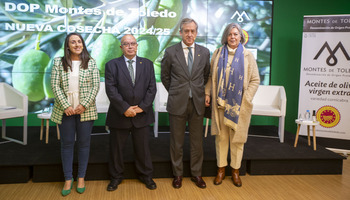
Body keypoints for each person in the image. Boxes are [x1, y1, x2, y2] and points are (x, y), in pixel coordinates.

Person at [205, 23, 260, 187]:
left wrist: (246, 98)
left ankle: (235, 171)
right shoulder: (217, 53)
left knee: (237, 140)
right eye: (230, 34)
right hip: (220, 105)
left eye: (236, 34)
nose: (233, 37)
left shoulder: (248, 56)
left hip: (239, 107)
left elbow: (255, 80)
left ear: (240, 36)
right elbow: (209, 77)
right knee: (221, 138)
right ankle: (221, 169)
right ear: (225, 36)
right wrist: (207, 93)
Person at [161, 18, 210, 189]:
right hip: (177, 103)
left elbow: (206, 76)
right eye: (186, 31)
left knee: (197, 142)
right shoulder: (170, 52)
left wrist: (197, 91)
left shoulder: (204, 52)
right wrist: (177, 92)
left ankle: (197, 174)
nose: (189, 34)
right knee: (177, 142)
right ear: (180, 32)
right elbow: (165, 77)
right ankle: (178, 174)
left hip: (197, 103)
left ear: (196, 33)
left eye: (193, 31)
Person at [105, 34, 157, 191]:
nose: (130, 46)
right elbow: (111, 90)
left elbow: (151, 88)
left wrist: (142, 107)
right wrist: (125, 108)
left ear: (137, 45)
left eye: (133, 43)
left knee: (143, 149)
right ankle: (115, 177)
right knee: (116, 150)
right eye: (126, 44)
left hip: (142, 114)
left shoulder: (147, 64)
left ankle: (146, 176)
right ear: (121, 47)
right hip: (119, 114)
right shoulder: (112, 65)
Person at [51, 32, 100, 196]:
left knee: (84, 145)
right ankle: (67, 178)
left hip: (84, 110)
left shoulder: (91, 62)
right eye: (73, 42)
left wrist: (84, 104)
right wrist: (66, 105)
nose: (77, 44)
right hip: (65, 111)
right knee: (67, 144)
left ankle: (81, 177)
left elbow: (95, 86)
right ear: (67, 46)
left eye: (79, 41)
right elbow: (55, 85)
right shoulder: (58, 62)